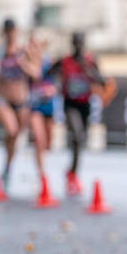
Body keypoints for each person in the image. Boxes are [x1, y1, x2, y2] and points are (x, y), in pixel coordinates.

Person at [0, 18, 42, 189]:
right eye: (7, 31)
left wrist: (24, 65)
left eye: (12, 31)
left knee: (15, 136)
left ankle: (7, 166)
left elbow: (37, 73)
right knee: (12, 131)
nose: (10, 34)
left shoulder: (23, 51)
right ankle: (7, 164)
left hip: (22, 101)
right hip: (3, 99)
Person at [47, 32, 104, 196]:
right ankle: (73, 175)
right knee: (77, 136)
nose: (79, 47)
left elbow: (102, 80)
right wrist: (57, 83)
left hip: (85, 104)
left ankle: (72, 172)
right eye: (76, 44)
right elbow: (48, 73)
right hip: (70, 104)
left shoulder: (90, 61)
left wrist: (89, 72)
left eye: (81, 43)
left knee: (80, 141)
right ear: (72, 44)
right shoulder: (65, 61)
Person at [27, 34, 56, 179]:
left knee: (48, 142)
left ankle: (42, 162)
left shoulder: (48, 63)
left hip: (48, 105)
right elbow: (35, 74)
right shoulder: (24, 64)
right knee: (39, 138)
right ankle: (41, 172)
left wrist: (52, 89)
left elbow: (56, 82)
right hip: (34, 106)